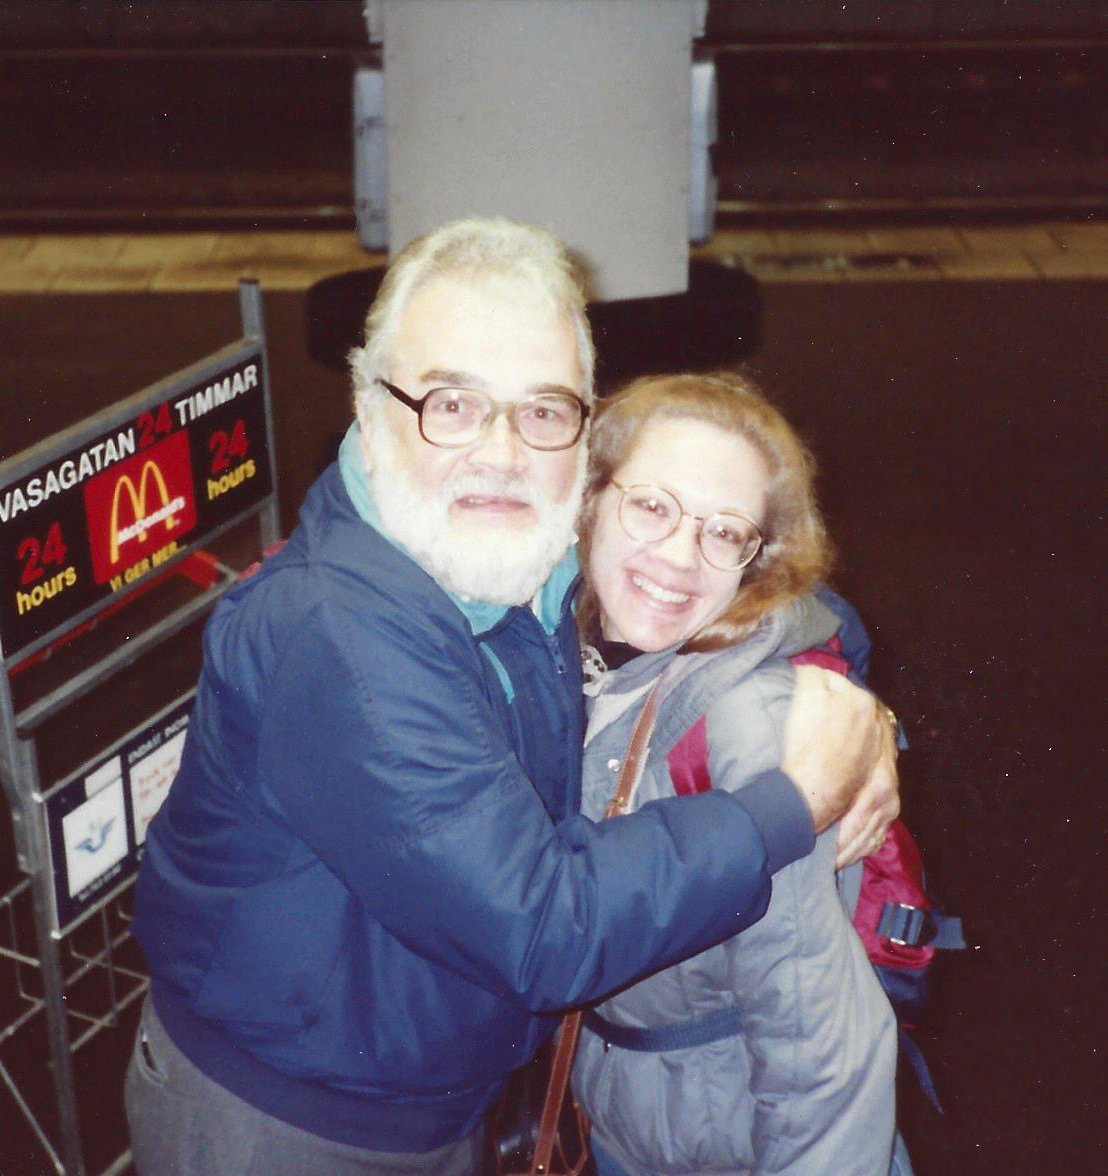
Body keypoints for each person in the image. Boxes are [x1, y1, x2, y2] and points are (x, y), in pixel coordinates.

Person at [126, 218, 899, 1176]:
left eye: (541, 411)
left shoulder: (520, 551)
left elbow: (736, 569)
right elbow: (541, 928)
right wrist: (789, 805)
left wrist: (841, 690)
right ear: (370, 410)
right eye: (452, 403)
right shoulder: (336, 640)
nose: (501, 452)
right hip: (288, 1127)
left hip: (439, 1096)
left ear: (582, 429)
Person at [569, 372, 901, 1176]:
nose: (680, 557)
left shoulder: (754, 730)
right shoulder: (564, 642)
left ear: (760, 559)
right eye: (652, 507)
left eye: (725, 533)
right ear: (587, 499)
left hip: (736, 1140)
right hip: (623, 1115)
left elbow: (820, 1044)